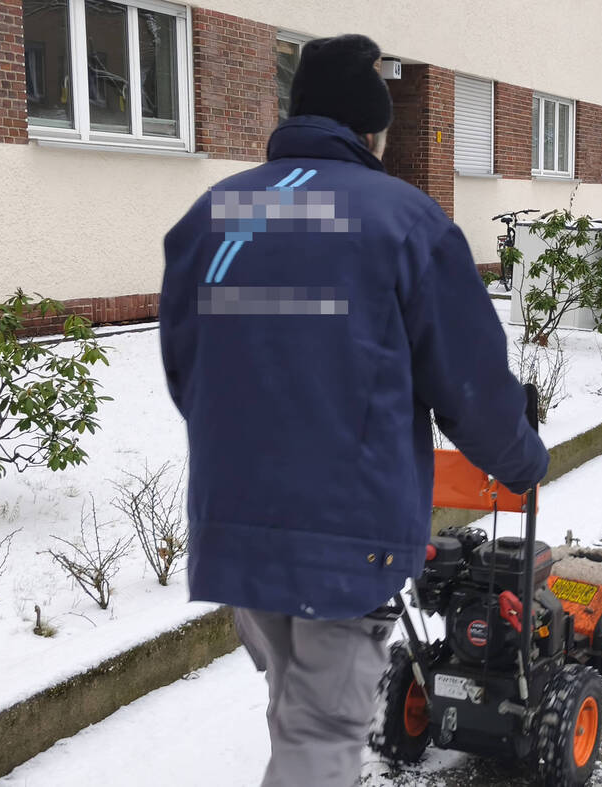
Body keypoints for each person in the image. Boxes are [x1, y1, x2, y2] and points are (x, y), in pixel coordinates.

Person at [160, 34, 548, 787]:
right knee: (317, 741)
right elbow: (468, 388)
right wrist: (523, 458)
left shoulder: (213, 216)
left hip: (237, 535)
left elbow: (189, 372)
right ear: (371, 130)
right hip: (343, 544)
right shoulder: (405, 222)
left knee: (294, 713)